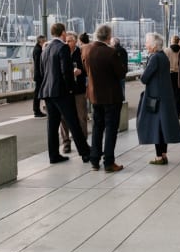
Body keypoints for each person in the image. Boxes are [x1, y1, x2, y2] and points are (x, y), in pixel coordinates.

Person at [38, 23, 91, 164]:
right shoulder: (63, 48)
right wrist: (71, 88)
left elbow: (42, 71)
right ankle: (85, 153)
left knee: (52, 125)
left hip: (47, 91)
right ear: (63, 32)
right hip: (61, 92)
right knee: (73, 122)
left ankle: (54, 155)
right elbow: (66, 72)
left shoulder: (46, 49)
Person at [82, 24, 126, 172]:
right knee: (111, 129)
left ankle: (94, 160)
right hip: (111, 96)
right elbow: (120, 73)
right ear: (108, 36)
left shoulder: (86, 50)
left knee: (97, 127)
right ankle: (109, 162)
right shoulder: (111, 53)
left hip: (95, 95)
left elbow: (85, 69)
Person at [137, 33, 180, 164]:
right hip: (165, 96)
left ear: (153, 45)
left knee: (156, 127)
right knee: (163, 127)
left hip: (155, 98)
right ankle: (163, 154)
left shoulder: (154, 58)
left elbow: (144, 78)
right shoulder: (163, 56)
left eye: (147, 43)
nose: (146, 45)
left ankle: (159, 157)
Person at [58, 31, 87, 153]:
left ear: (75, 41)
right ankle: (66, 142)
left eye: (69, 41)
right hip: (64, 90)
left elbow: (87, 69)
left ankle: (83, 142)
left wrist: (81, 72)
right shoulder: (61, 52)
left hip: (78, 90)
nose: (67, 43)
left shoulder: (81, 53)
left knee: (81, 117)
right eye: (66, 41)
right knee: (63, 118)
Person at [163, 34, 180, 117]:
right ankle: (178, 112)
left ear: (171, 41)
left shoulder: (166, 51)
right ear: (178, 41)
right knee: (179, 94)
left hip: (170, 74)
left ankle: (171, 112)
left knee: (170, 93)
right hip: (179, 74)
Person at [32, 35, 47, 118]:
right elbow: (39, 64)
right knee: (37, 93)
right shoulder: (38, 50)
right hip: (39, 75)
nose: (45, 42)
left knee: (38, 93)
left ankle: (37, 110)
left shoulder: (37, 49)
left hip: (39, 75)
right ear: (40, 41)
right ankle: (36, 111)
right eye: (44, 41)